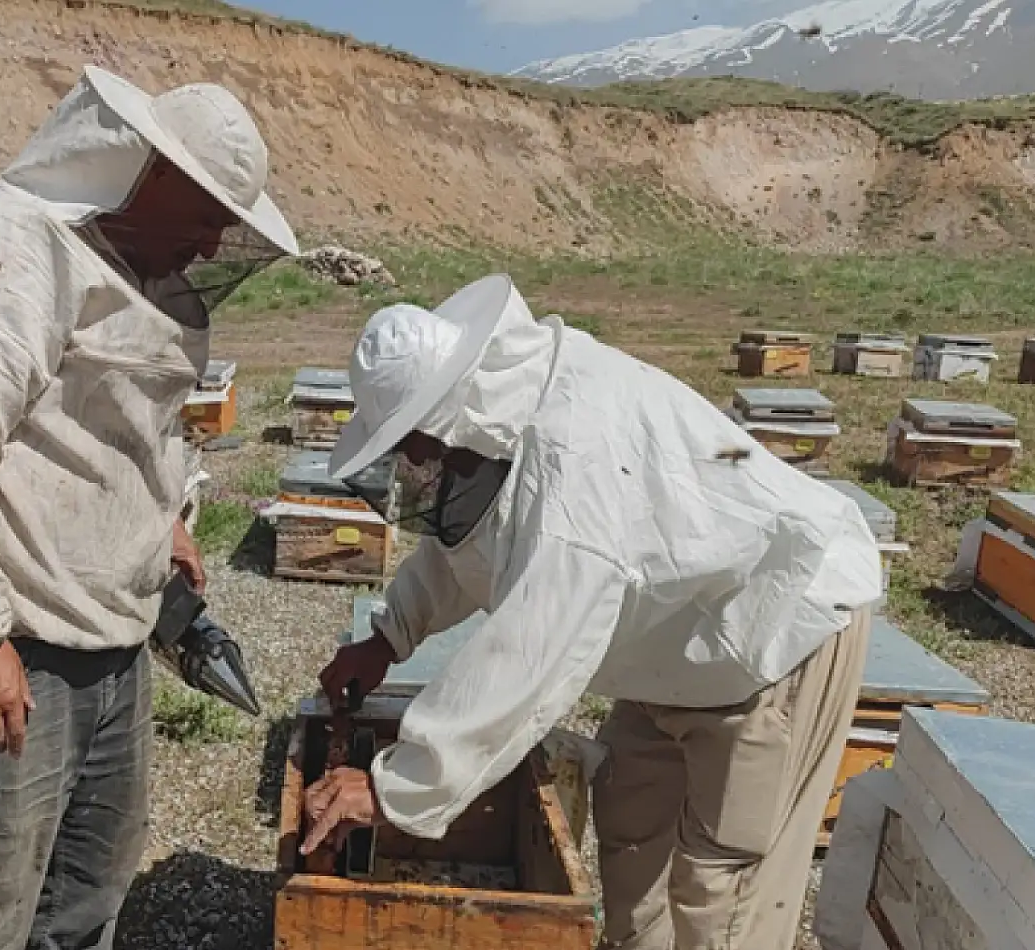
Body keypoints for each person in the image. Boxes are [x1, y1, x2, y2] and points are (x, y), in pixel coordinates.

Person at [302, 273, 883, 950]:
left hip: (774, 635)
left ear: (449, 423)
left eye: (414, 450)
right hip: (673, 637)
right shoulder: (499, 423)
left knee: (718, 898)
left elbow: (530, 658)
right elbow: (479, 541)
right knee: (632, 832)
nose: (411, 468)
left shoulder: (575, 475)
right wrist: (389, 635)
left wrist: (393, 786)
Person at [0, 64, 297, 950]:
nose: (216, 246)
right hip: (18, 654)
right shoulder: (11, 250)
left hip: (118, 646)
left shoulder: (135, 270)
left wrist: (165, 520)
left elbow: (115, 430)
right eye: (209, 215)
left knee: (90, 891)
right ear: (154, 174)